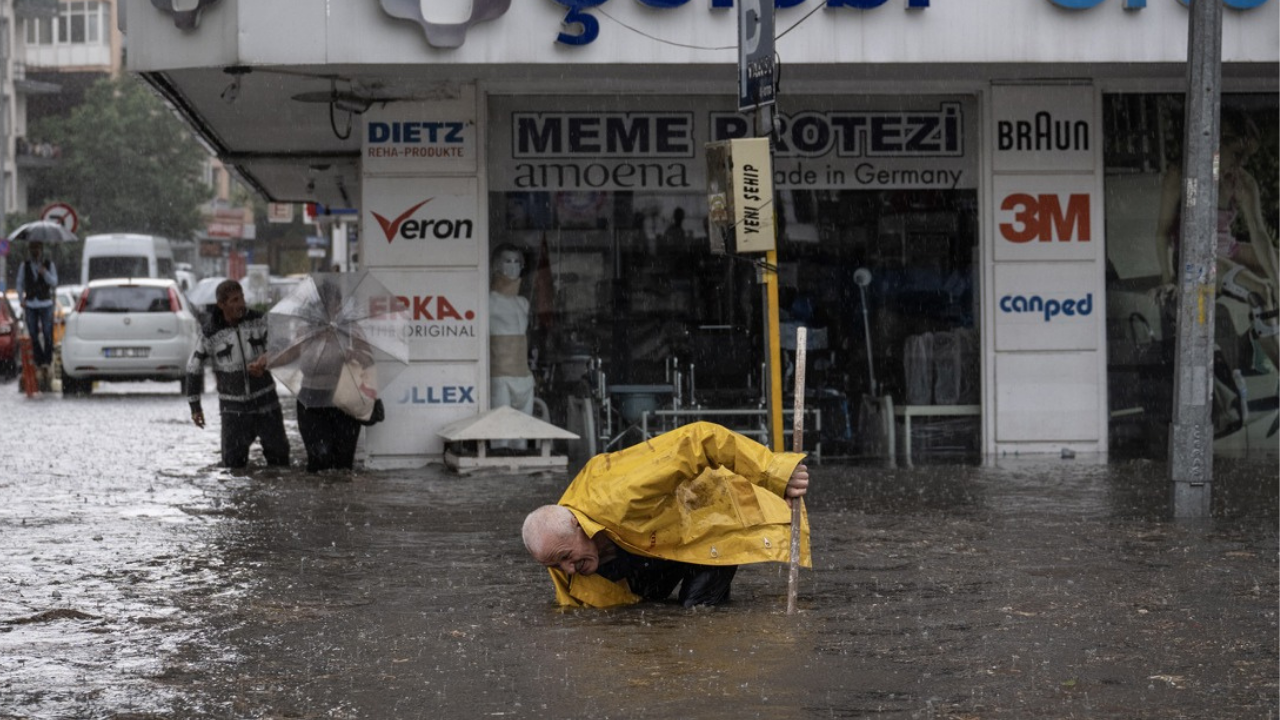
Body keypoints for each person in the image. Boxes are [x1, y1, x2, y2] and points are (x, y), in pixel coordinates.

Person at [522, 422, 811, 609]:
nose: (568, 570)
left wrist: (774, 473)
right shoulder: (558, 557)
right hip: (651, 549)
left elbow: (701, 438)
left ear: (577, 525)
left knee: (697, 611)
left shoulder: (621, 493)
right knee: (650, 612)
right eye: (556, 565)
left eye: (567, 557)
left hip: (709, 518)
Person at [267, 278, 381, 472]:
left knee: (343, 464)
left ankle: (338, 501)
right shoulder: (306, 331)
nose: (328, 308)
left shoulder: (351, 330)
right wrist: (266, 362)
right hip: (310, 402)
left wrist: (355, 354)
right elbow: (288, 354)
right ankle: (321, 501)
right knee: (318, 460)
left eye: (333, 303)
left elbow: (369, 360)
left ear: (338, 305)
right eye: (323, 304)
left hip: (344, 402)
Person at [185, 279, 290, 469]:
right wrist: (195, 407)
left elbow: (282, 345)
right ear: (221, 305)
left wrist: (266, 359)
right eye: (234, 300)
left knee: (280, 462)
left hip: (267, 405)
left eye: (241, 297)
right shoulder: (210, 332)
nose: (241, 304)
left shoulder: (259, 320)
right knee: (233, 467)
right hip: (233, 412)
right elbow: (193, 367)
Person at [489, 243, 534, 450]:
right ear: (496, 266)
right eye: (507, 261)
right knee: (501, 434)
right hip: (500, 375)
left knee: (522, 435)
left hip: (523, 376)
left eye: (517, 262)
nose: (513, 266)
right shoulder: (489, 301)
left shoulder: (523, 303)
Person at [15, 241, 57, 389]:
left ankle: (47, 359)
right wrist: (21, 300)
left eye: (37, 248)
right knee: (32, 333)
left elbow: (54, 282)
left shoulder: (48, 265)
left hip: (45, 303)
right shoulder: (24, 266)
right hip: (31, 303)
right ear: (30, 250)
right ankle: (39, 360)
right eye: (33, 248)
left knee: (47, 332)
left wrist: (44, 273)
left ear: (41, 250)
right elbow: (19, 283)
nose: (35, 251)